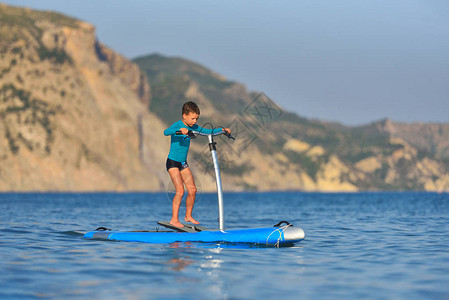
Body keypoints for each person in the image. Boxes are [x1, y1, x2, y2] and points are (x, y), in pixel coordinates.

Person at [164, 101, 231, 228]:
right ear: (184, 115)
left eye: (196, 119)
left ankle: (188, 216)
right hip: (172, 162)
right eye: (192, 118)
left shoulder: (194, 127)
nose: (195, 121)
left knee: (193, 190)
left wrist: (222, 130)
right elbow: (166, 132)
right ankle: (174, 219)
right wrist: (180, 130)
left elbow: (207, 131)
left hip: (183, 163)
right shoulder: (178, 125)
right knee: (180, 190)